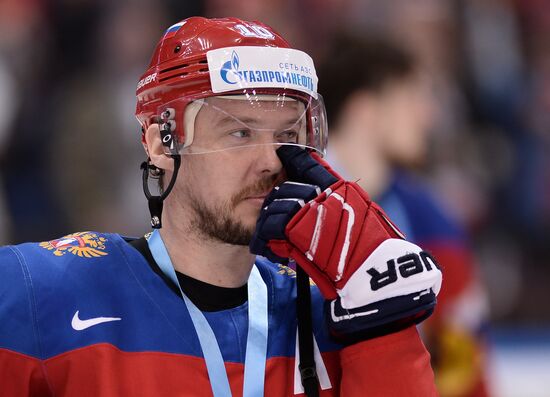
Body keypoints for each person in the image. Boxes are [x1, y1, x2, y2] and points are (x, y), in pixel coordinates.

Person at [0, 17, 442, 396]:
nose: (271, 161)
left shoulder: (332, 316)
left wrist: (384, 328)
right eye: (240, 133)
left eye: (286, 134)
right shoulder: (42, 293)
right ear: (160, 142)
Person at [318, 33, 490, 397]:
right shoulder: (289, 207)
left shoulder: (429, 214)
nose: (428, 115)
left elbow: (465, 359)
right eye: (413, 97)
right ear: (366, 109)